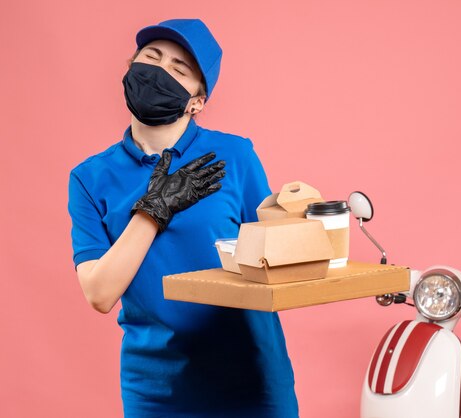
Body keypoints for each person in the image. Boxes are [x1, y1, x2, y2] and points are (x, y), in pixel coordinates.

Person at [67, 19, 299, 417]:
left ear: (196, 101)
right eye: (151, 58)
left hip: (252, 378)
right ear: (130, 68)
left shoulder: (235, 156)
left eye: (179, 70)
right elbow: (100, 293)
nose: (160, 72)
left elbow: (271, 264)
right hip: (157, 390)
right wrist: (153, 211)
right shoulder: (90, 178)